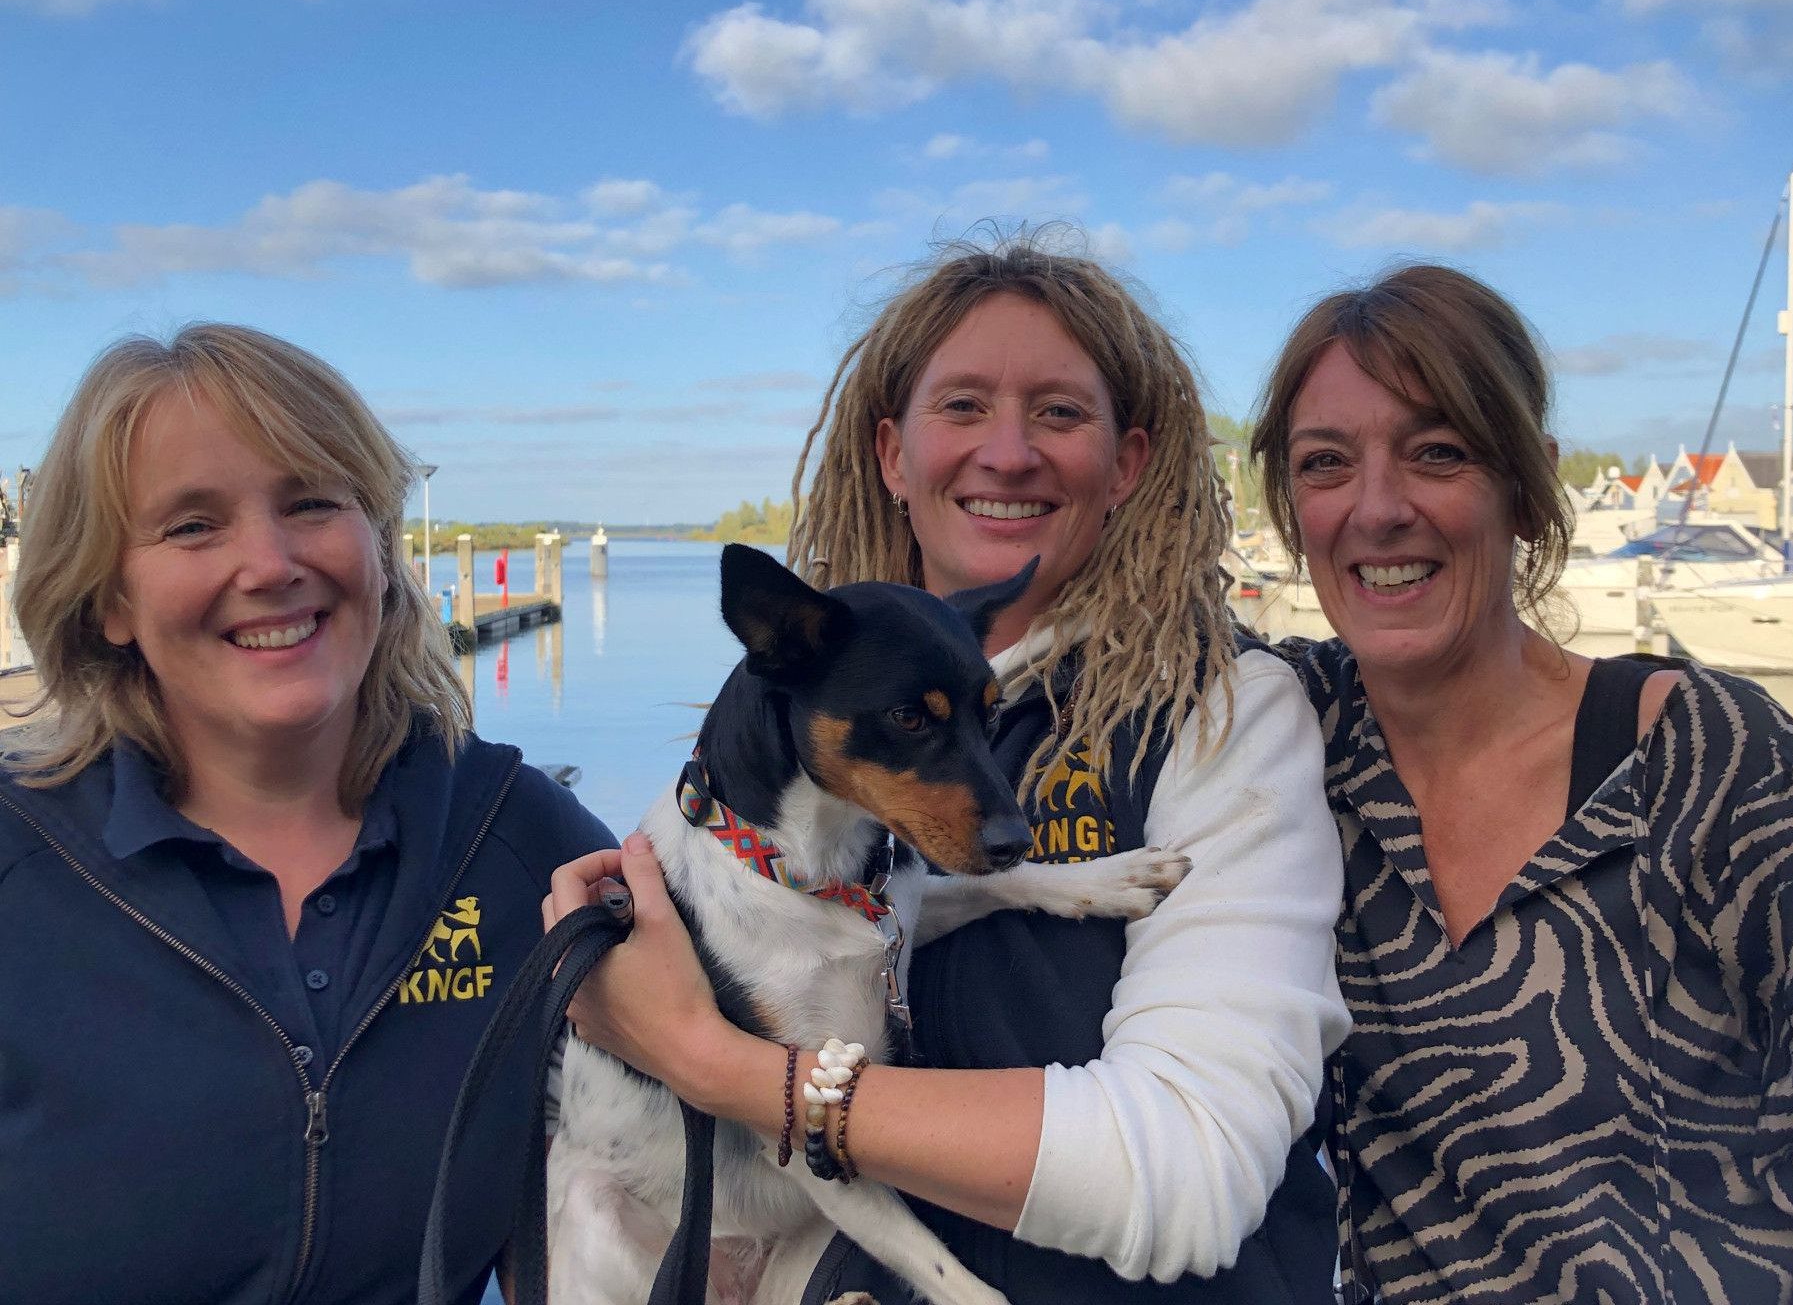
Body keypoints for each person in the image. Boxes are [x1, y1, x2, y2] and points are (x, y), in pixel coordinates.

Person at [547, 234, 1350, 1302]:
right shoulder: (817, 717)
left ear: (1126, 463)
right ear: (892, 453)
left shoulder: (1219, 713)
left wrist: (713, 1062)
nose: (1007, 453)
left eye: (1058, 412)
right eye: (963, 405)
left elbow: (1191, 1172)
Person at [0, 324, 618, 1305]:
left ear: (379, 545)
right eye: (192, 525)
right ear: (109, 596)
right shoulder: (23, 861)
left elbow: (677, 1151)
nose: (270, 561)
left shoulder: (517, 840)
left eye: (312, 502)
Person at [1248, 263, 1793, 1303]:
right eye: (1325, 463)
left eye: (1438, 452)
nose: (1377, 508)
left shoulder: (1699, 756)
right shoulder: (1286, 736)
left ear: (1528, 489)